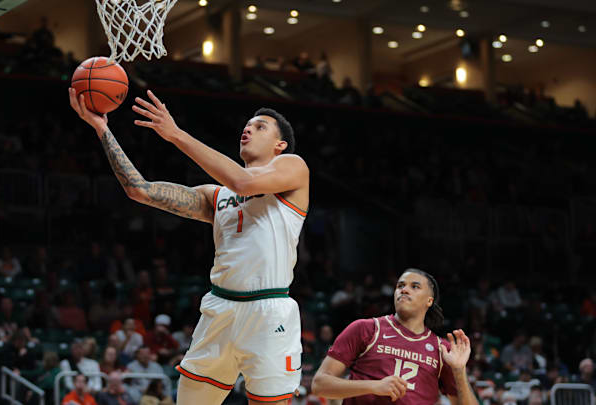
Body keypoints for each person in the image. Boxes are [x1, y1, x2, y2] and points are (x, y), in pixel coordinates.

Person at [69, 83, 309, 405]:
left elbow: (244, 181)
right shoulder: (216, 195)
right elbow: (140, 190)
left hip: (269, 313)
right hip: (219, 309)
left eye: (259, 126)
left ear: (280, 144)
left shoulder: (293, 167)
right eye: (247, 125)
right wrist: (102, 129)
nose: (248, 130)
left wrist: (175, 134)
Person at [311, 268, 479, 405]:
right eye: (400, 285)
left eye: (414, 286)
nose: (404, 289)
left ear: (429, 301)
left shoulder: (442, 349)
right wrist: (374, 386)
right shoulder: (366, 329)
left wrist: (459, 371)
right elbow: (319, 384)